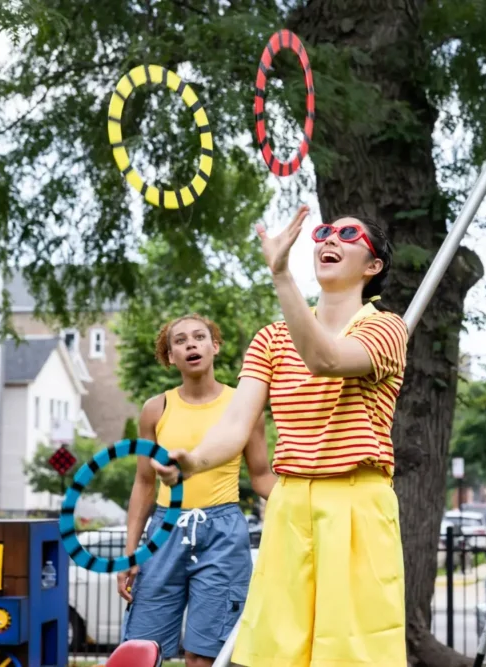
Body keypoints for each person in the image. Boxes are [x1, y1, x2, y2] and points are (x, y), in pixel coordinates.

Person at [152, 206, 409, 667]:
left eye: (348, 234)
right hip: (288, 504)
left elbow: (325, 360)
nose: (330, 239)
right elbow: (235, 425)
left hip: (356, 502)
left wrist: (281, 275)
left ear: (373, 267)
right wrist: (192, 462)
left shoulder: (387, 328)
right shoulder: (270, 339)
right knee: (277, 654)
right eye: (325, 232)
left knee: (353, 654)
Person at [118, 314, 277, 666]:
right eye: (180, 340)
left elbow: (262, 475)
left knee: (204, 656)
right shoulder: (155, 409)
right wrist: (130, 554)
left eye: (200, 336)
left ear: (214, 346)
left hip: (222, 535)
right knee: (143, 650)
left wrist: (307, 500)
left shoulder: (243, 406)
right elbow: (144, 483)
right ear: (170, 357)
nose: (191, 343)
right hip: (164, 532)